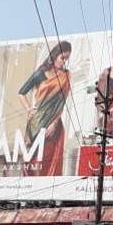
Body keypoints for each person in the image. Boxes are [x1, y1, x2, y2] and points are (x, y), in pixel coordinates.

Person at [18, 41, 72, 176]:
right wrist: (29, 109)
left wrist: (54, 123)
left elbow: (62, 102)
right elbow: (21, 93)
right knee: (31, 160)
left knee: (47, 163)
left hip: (54, 126)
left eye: (67, 59)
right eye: (62, 58)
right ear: (54, 55)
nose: (64, 62)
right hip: (36, 122)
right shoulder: (39, 74)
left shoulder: (65, 76)